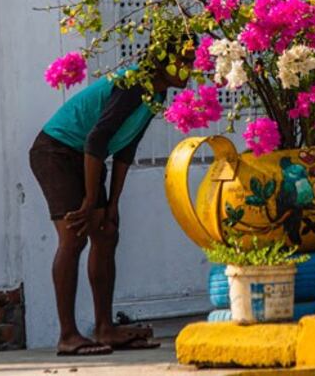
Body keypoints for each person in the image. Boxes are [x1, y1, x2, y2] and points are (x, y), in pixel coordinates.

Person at [29, 42, 194, 356]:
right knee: (74, 236)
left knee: (106, 233)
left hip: (88, 155)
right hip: (57, 151)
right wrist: (91, 202)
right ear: (161, 60)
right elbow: (96, 139)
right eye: (183, 60)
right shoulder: (134, 84)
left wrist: (112, 204)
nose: (191, 68)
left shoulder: (156, 93)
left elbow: (125, 149)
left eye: (191, 60)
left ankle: (105, 328)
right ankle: (67, 335)